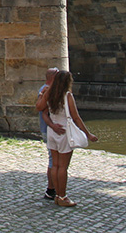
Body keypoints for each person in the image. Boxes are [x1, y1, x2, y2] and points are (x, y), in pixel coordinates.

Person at [36, 70, 99, 206]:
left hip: (53, 130)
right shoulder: (67, 96)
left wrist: (42, 94)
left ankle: (57, 195)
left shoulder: (49, 94)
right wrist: (88, 134)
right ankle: (62, 197)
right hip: (64, 131)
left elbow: (40, 108)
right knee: (63, 167)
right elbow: (76, 118)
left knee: (55, 165)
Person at [36, 67, 62, 200]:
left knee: (55, 160)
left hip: (51, 129)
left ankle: (55, 188)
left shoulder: (48, 89)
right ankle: (52, 189)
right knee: (54, 160)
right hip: (50, 130)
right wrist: (53, 126)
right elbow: (42, 110)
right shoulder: (46, 90)